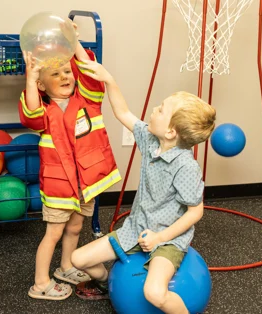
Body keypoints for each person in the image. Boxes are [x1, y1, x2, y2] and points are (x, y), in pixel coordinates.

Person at [71, 60, 216, 313]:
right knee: (78, 259)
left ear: (171, 132)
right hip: (136, 228)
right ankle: (107, 285)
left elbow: (196, 212)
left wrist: (160, 237)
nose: (153, 109)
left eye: (160, 110)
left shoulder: (185, 166)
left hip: (168, 239)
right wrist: (109, 80)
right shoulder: (150, 139)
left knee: (154, 293)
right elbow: (122, 113)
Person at [18, 22, 121, 301]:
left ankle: (66, 267)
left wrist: (73, 40)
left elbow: (88, 70)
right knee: (53, 233)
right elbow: (29, 115)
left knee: (76, 227)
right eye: (55, 73)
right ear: (41, 83)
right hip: (59, 186)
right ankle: (40, 282)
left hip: (85, 183)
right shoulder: (43, 112)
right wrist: (30, 78)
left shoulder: (89, 100)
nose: (65, 76)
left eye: (67, 71)